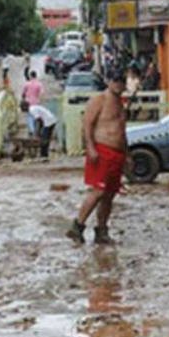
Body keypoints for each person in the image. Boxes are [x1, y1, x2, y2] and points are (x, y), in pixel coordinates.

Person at [67, 69, 130, 245]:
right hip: (101, 151)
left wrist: (127, 154)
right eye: (116, 80)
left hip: (116, 153)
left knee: (110, 194)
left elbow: (122, 131)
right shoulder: (99, 100)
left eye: (121, 80)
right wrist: (90, 148)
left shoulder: (120, 103)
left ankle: (101, 231)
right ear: (109, 81)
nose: (118, 83)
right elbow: (87, 124)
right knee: (98, 191)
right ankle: (77, 226)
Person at [0, 78, 19, 165]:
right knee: (3, 138)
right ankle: (1, 155)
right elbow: (15, 109)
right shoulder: (6, 96)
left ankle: (1, 155)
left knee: (3, 138)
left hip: (3, 120)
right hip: (3, 120)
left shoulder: (2, 96)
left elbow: (14, 110)